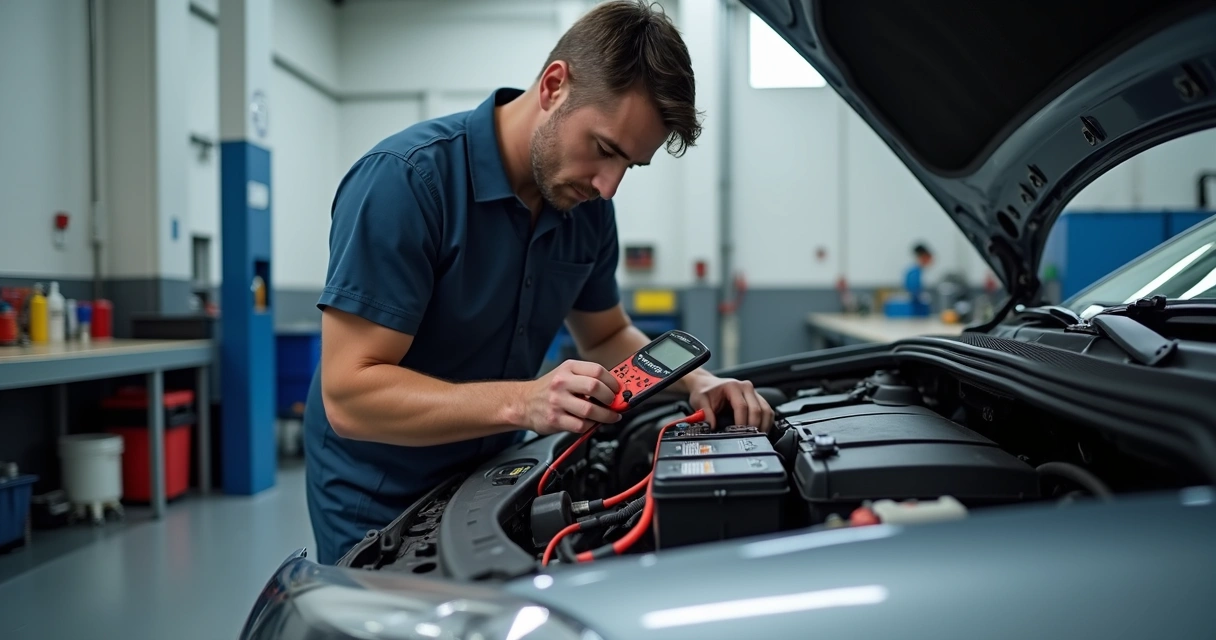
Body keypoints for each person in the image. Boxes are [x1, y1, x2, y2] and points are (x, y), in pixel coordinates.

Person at [303, 0, 774, 565]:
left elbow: (604, 335)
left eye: (631, 166)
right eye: (604, 150)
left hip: (496, 479)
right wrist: (524, 401)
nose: (609, 186)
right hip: (381, 503)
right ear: (554, 86)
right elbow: (350, 397)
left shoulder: (586, 207)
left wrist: (699, 384)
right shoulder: (408, 182)